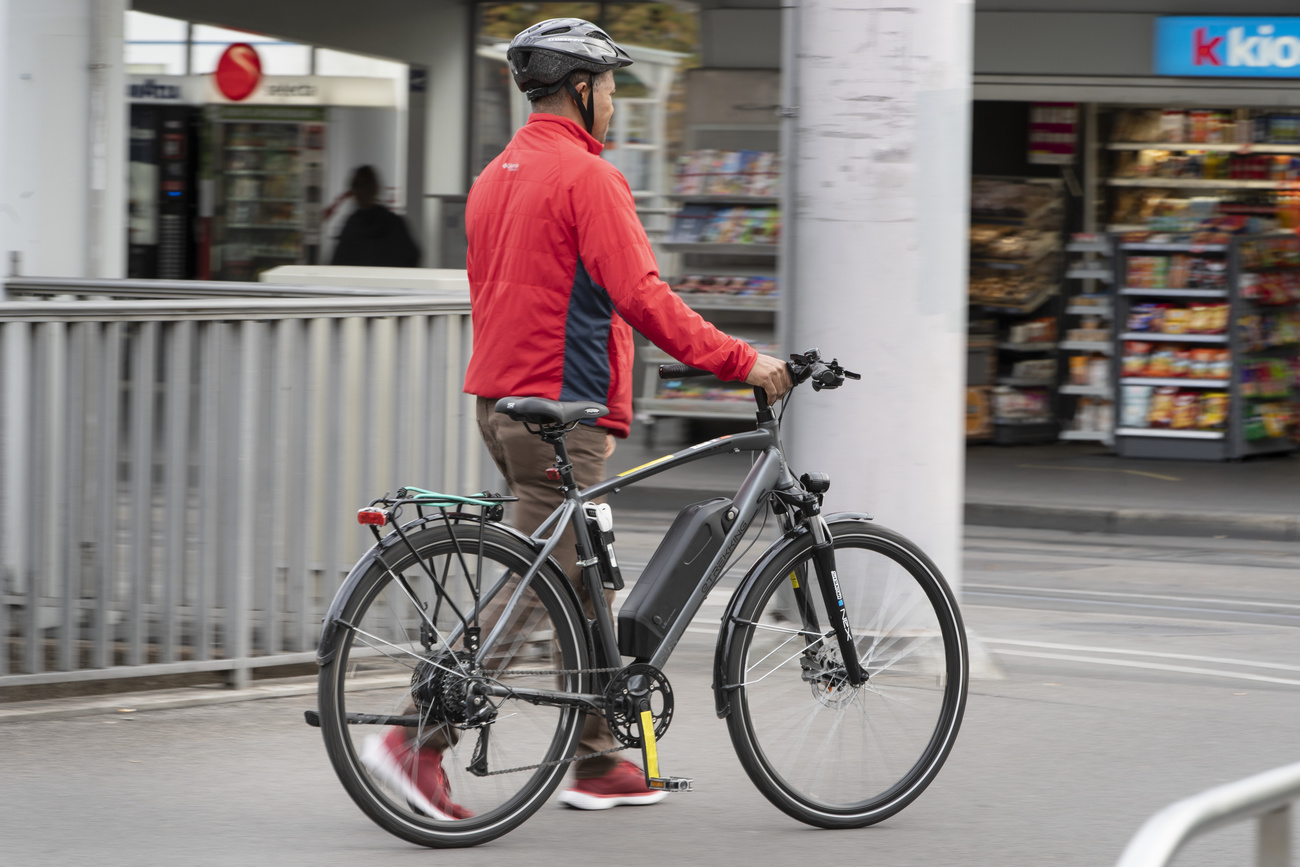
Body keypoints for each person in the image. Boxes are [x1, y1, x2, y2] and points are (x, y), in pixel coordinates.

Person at [363, 18, 792, 817]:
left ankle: (595, 758)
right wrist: (744, 360)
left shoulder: (498, 174)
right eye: (613, 87)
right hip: (565, 411)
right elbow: (643, 296)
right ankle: (417, 737)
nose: (617, 103)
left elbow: (537, 290)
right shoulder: (589, 179)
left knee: (580, 573)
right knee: (543, 577)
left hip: (503, 402)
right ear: (584, 89)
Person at [329, 165, 420, 267]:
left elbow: (338, 265)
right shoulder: (395, 223)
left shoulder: (351, 227)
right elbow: (412, 258)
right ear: (376, 188)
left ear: (353, 192)